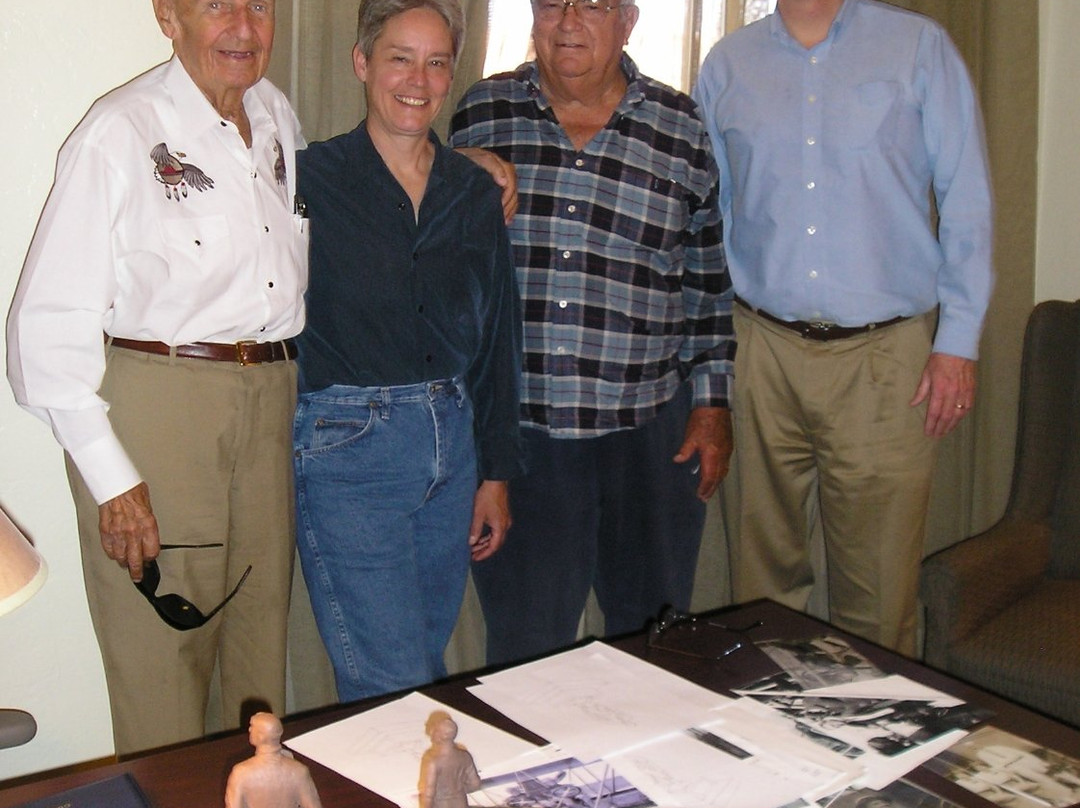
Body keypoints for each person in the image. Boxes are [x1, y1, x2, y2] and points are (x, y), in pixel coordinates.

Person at [6, 0, 308, 755]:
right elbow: (42, 328)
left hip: (269, 400)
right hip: (162, 407)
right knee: (162, 672)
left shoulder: (275, 115)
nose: (244, 26)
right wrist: (113, 479)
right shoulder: (121, 131)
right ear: (167, 16)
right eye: (217, 4)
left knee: (255, 667)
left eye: (260, 5)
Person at [693, 0, 994, 655]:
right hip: (760, 351)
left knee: (877, 598)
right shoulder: (727, 65)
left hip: (885, 358)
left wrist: (957, 344)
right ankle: (771, 739)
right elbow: (708, 214)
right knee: (759, 587)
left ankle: (877, 745)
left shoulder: (918, 48)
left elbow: (967, 201)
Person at [449, 0, 735, 666]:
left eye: (595, 5)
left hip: (649, 435)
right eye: (553, 3)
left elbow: (705, 279)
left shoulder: (679, 125)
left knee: (654, 644)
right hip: (525, 437)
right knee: (525, 654)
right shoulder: (482, 112)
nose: (570, 20)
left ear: (628, 22)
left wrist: (713, 404)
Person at [293, 0, 523, 701]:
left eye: (435, 62)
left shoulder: (472, 191)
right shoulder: (306, 181)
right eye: (399, 57)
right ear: (363, 63)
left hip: (452, 447)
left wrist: (495, 474)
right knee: (390, 684)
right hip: (350, 449)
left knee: (422, 664)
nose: (417, 80)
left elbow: (496, 338)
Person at [225, 712, 323, 808]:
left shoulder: (240, 773)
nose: (249, 729)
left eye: (252, 726)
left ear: (261, 737)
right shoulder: (299, 771)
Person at [418, 712, 481, 808]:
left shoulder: (433, 761)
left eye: (435, 730)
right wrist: (457, 792)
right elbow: (475, 784)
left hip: (440, 804)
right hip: (460, 802)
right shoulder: (465, 756)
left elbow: (428, 793)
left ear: (443, 736)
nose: (432, 732)